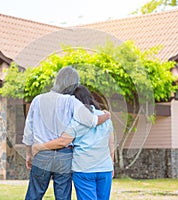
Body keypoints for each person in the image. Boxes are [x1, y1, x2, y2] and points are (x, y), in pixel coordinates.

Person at [22, 66, 111, 200]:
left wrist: (29, 154)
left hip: (41, 154)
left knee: (34, 195)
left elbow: (29, 129)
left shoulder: (37, 99)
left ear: (56, 80)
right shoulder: (71, 101)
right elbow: (92, 121)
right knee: (63, 197)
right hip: (64, 155)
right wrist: (107, 115)